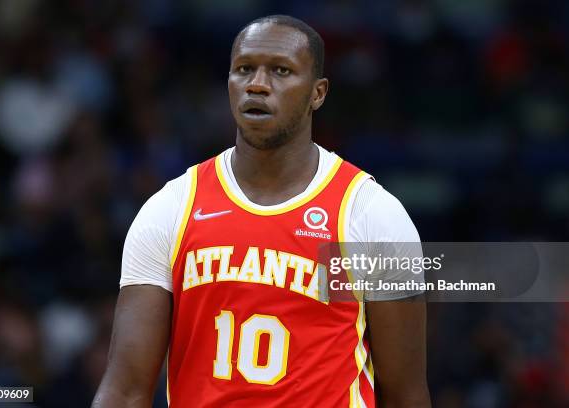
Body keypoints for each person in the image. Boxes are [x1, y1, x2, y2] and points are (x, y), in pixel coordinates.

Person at [93, 15, 430, 408]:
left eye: (281, 71)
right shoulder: (172, 208)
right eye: (244, 69)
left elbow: (405, 394)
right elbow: (125, 390)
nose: (257, 84)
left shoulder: (371, 214)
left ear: (317, 93)